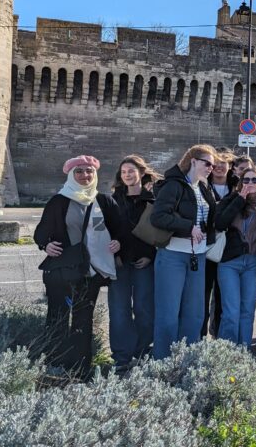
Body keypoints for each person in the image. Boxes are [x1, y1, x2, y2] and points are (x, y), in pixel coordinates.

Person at [35, 156, 122, 376]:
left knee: (83, 319)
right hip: (63, 269)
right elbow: (41, 232)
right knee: (57, 316)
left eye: (89, 171)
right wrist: (46, 245)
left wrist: (118, 242)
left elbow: (120, 229)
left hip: (89, 272)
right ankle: (55, 363)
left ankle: (81, 368)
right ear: (71, 175)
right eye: (79, 172)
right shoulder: (59, 200)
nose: (85, 175)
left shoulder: (103, 201)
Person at [151, 145, 218, 359]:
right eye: (207, 163)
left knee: (194, 315)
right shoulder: (174, 185)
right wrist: (188, 226)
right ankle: (162, 363)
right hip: (172, 255)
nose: (211, 168)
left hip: (197, 256)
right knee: (168, 314)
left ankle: (187, 362)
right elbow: (158, 217)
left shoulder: (203, 188)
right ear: (193, 161)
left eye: (213, 165)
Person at [215, 166, 256, 358]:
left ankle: (243, 351)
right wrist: (240, 199)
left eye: (254, 180)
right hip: (229, 262)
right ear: (239, 183)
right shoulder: (230, 200)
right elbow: (220, 223)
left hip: (252, 263)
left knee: (248, 309)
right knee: (231, 311)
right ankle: (226, 352)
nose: (250, 184)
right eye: (246, 180)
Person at [108, 155, 160, 371]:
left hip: (144, 262)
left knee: (144, 309)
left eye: (131, 170)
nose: (127, 175)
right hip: (119, 262)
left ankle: (142, 352)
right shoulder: (112, 199)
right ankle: (121, 357)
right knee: (119, 310)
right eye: (124, 172)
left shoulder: (153, 198)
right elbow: (108, 229)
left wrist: (150, 255)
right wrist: (113, 254)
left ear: (141, 172)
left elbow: (158, 230)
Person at [203, 149, 235, 339]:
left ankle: (218, 336)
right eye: (216, 162)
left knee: (223, 298)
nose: (220, 166)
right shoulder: (201, 186)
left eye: (225, 162)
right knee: (203, 295)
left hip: (230, 249)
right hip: (206, 248)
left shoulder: (237, 188)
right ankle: (199, 337)